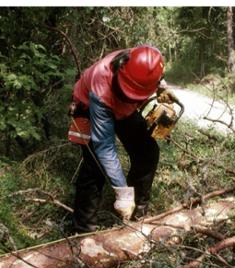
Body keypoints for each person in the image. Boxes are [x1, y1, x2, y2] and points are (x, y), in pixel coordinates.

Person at [68, 44, 164, 233]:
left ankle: (138, 214)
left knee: (148, 151)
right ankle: (83, 230)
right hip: (92, 105)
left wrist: (161, 90)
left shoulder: (145, 62)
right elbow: (105, 147)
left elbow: (155, 78)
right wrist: (122, 192)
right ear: (121, 69)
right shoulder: (101, 82)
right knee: (94, 166)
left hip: (123, 108)